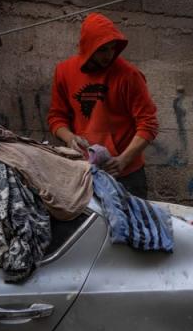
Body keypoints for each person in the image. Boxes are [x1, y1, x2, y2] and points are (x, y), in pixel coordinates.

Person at [48, 13, 158, 198]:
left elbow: (148, 124)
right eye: (102, 50)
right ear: (88, 48)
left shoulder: (129, 75)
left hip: (126, 173)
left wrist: (124, 160)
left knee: (133, 225)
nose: (109, 55)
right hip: (85, 169)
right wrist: (69, 138)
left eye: (112, 48)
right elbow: (56, 117)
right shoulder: (64, 72)